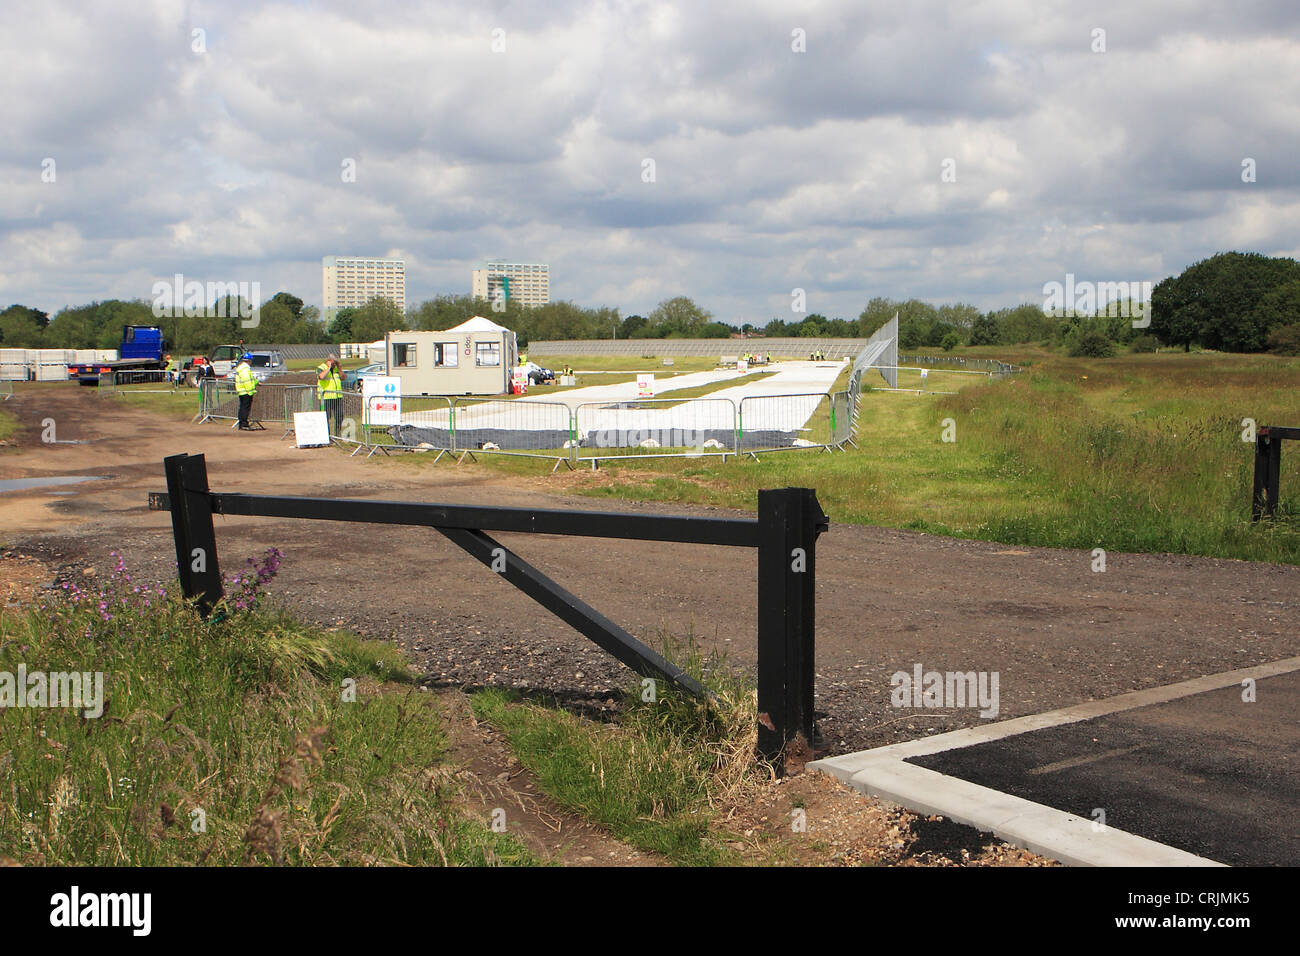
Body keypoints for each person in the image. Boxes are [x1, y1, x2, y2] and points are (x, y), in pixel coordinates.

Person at [316, 354, 344, 437]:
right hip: (326, 397)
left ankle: (337, 435)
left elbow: (343, 378)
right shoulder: (321, 367)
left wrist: (339, 368)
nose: (334, 364)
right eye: (333, 362)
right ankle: (326, 436)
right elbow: (321, 377)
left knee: (339, 416)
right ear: (329, 361)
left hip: (337, 397)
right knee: (325, 418)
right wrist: (328, 368)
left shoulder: (336, 369)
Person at [234, 353, 258, 429]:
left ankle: (242, 423)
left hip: (242, 390)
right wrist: (250, 391)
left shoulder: (241, 368)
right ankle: (244, 423)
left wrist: (256, 382)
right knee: (245, 408)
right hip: (246, 391)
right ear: (249, 360)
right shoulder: (245, 369)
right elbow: (247, 381)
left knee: (242, 407)